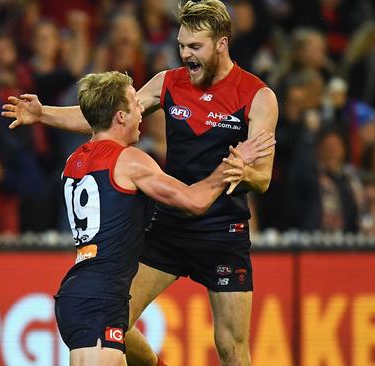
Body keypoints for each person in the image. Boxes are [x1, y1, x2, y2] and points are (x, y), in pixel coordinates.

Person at [2, 1, 278, 364]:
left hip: (222, 231)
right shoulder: (169, 82)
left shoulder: (258, 96)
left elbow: (263, 178)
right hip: (170, 224)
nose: (185, 54)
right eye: (181, 45)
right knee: (118, 319)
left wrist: (245, 172)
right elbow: (107, 119)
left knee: (231, 346)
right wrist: (42, 114)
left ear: (221, 44)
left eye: (195, 47)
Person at [55, 71, 273, 365]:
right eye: (135, 104)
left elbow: (95, 122)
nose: (142, 110)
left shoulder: (74, 161)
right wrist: (234, 164)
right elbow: (194, 202)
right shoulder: (130, 161)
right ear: (120, 116)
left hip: (80, 291)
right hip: (101, 299)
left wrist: (42, 113)